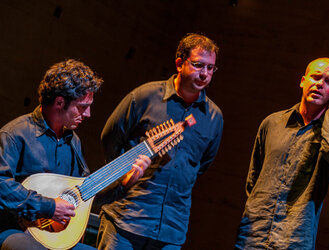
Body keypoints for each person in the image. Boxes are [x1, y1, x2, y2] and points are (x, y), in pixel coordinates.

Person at [0, 59, 150, 250]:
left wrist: (123, 184)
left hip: (51, 236)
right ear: (60, 102)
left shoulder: (73, 141)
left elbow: (84, 194)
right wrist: (49, 206)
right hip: (13, 228)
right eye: (82, 106)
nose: (87, 114)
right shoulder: (15, 134)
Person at [97, 33, 224, 249]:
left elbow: (201, 166)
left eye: (210, 68)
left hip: (171, 230)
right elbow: (110, 139)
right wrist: (124, 174)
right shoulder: (145, 96)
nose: (205, 74)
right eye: (198, 65)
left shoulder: (214, 117)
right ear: (179, 63)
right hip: (126, 219)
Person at [235, 58, 329, 249]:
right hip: (252, 237)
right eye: (316, 77)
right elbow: (254, 181)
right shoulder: (272, 123)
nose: (320, 84)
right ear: (303, 81)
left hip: (294, 241)